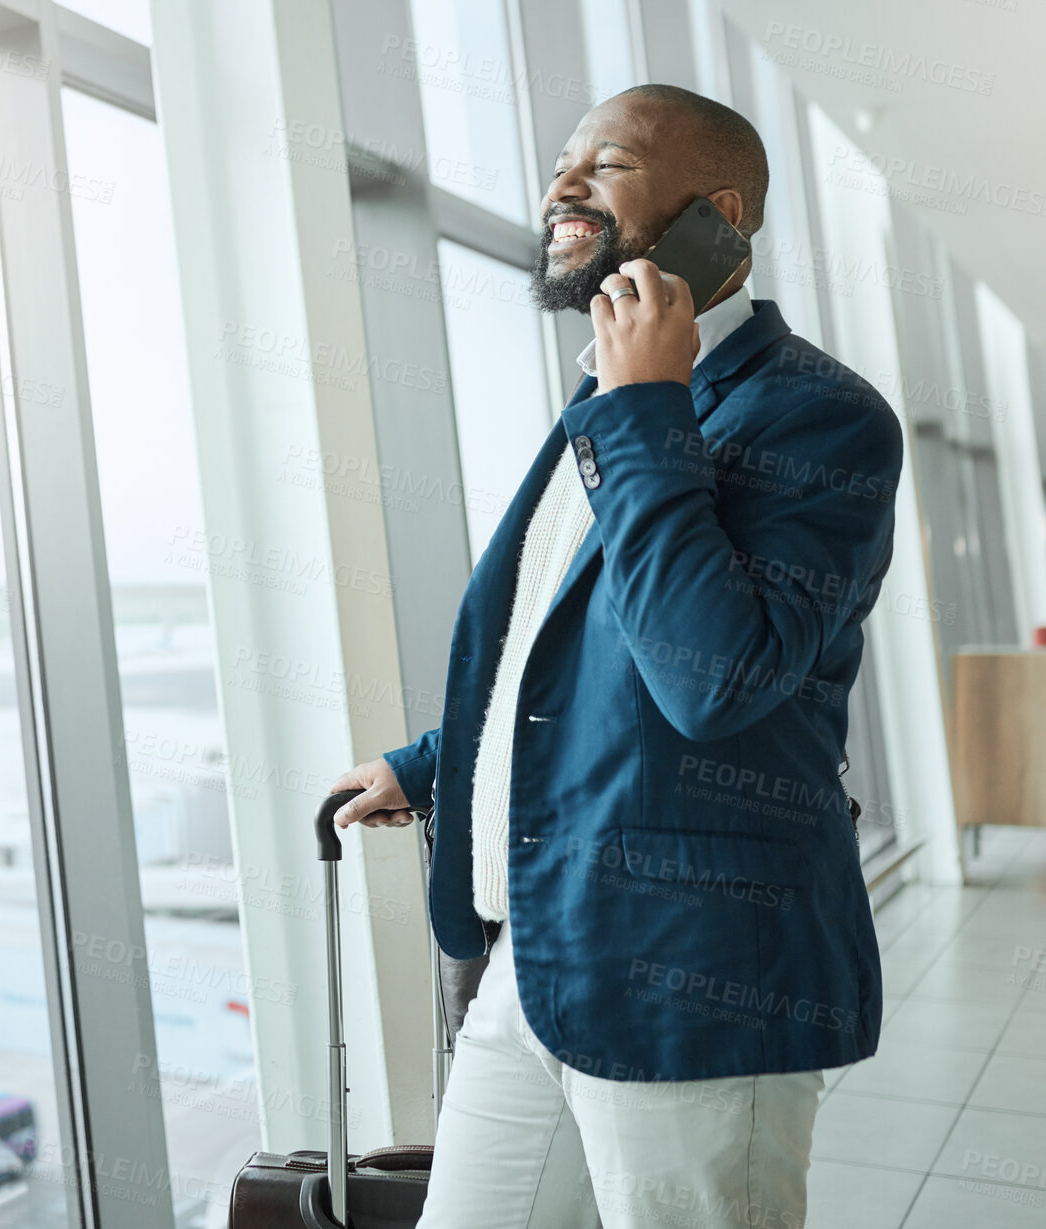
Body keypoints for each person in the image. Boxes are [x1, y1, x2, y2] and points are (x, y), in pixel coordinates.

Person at [330, 83, 901, 1229]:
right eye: (558, 163)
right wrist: (432, 760)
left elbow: (712, 677)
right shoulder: (603, 403)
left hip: (690, 968)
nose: (561, 185)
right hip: (535, 950)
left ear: (718, 211)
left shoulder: (817, 417)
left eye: (608, 163)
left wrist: (646, 404)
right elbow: (570, 652)